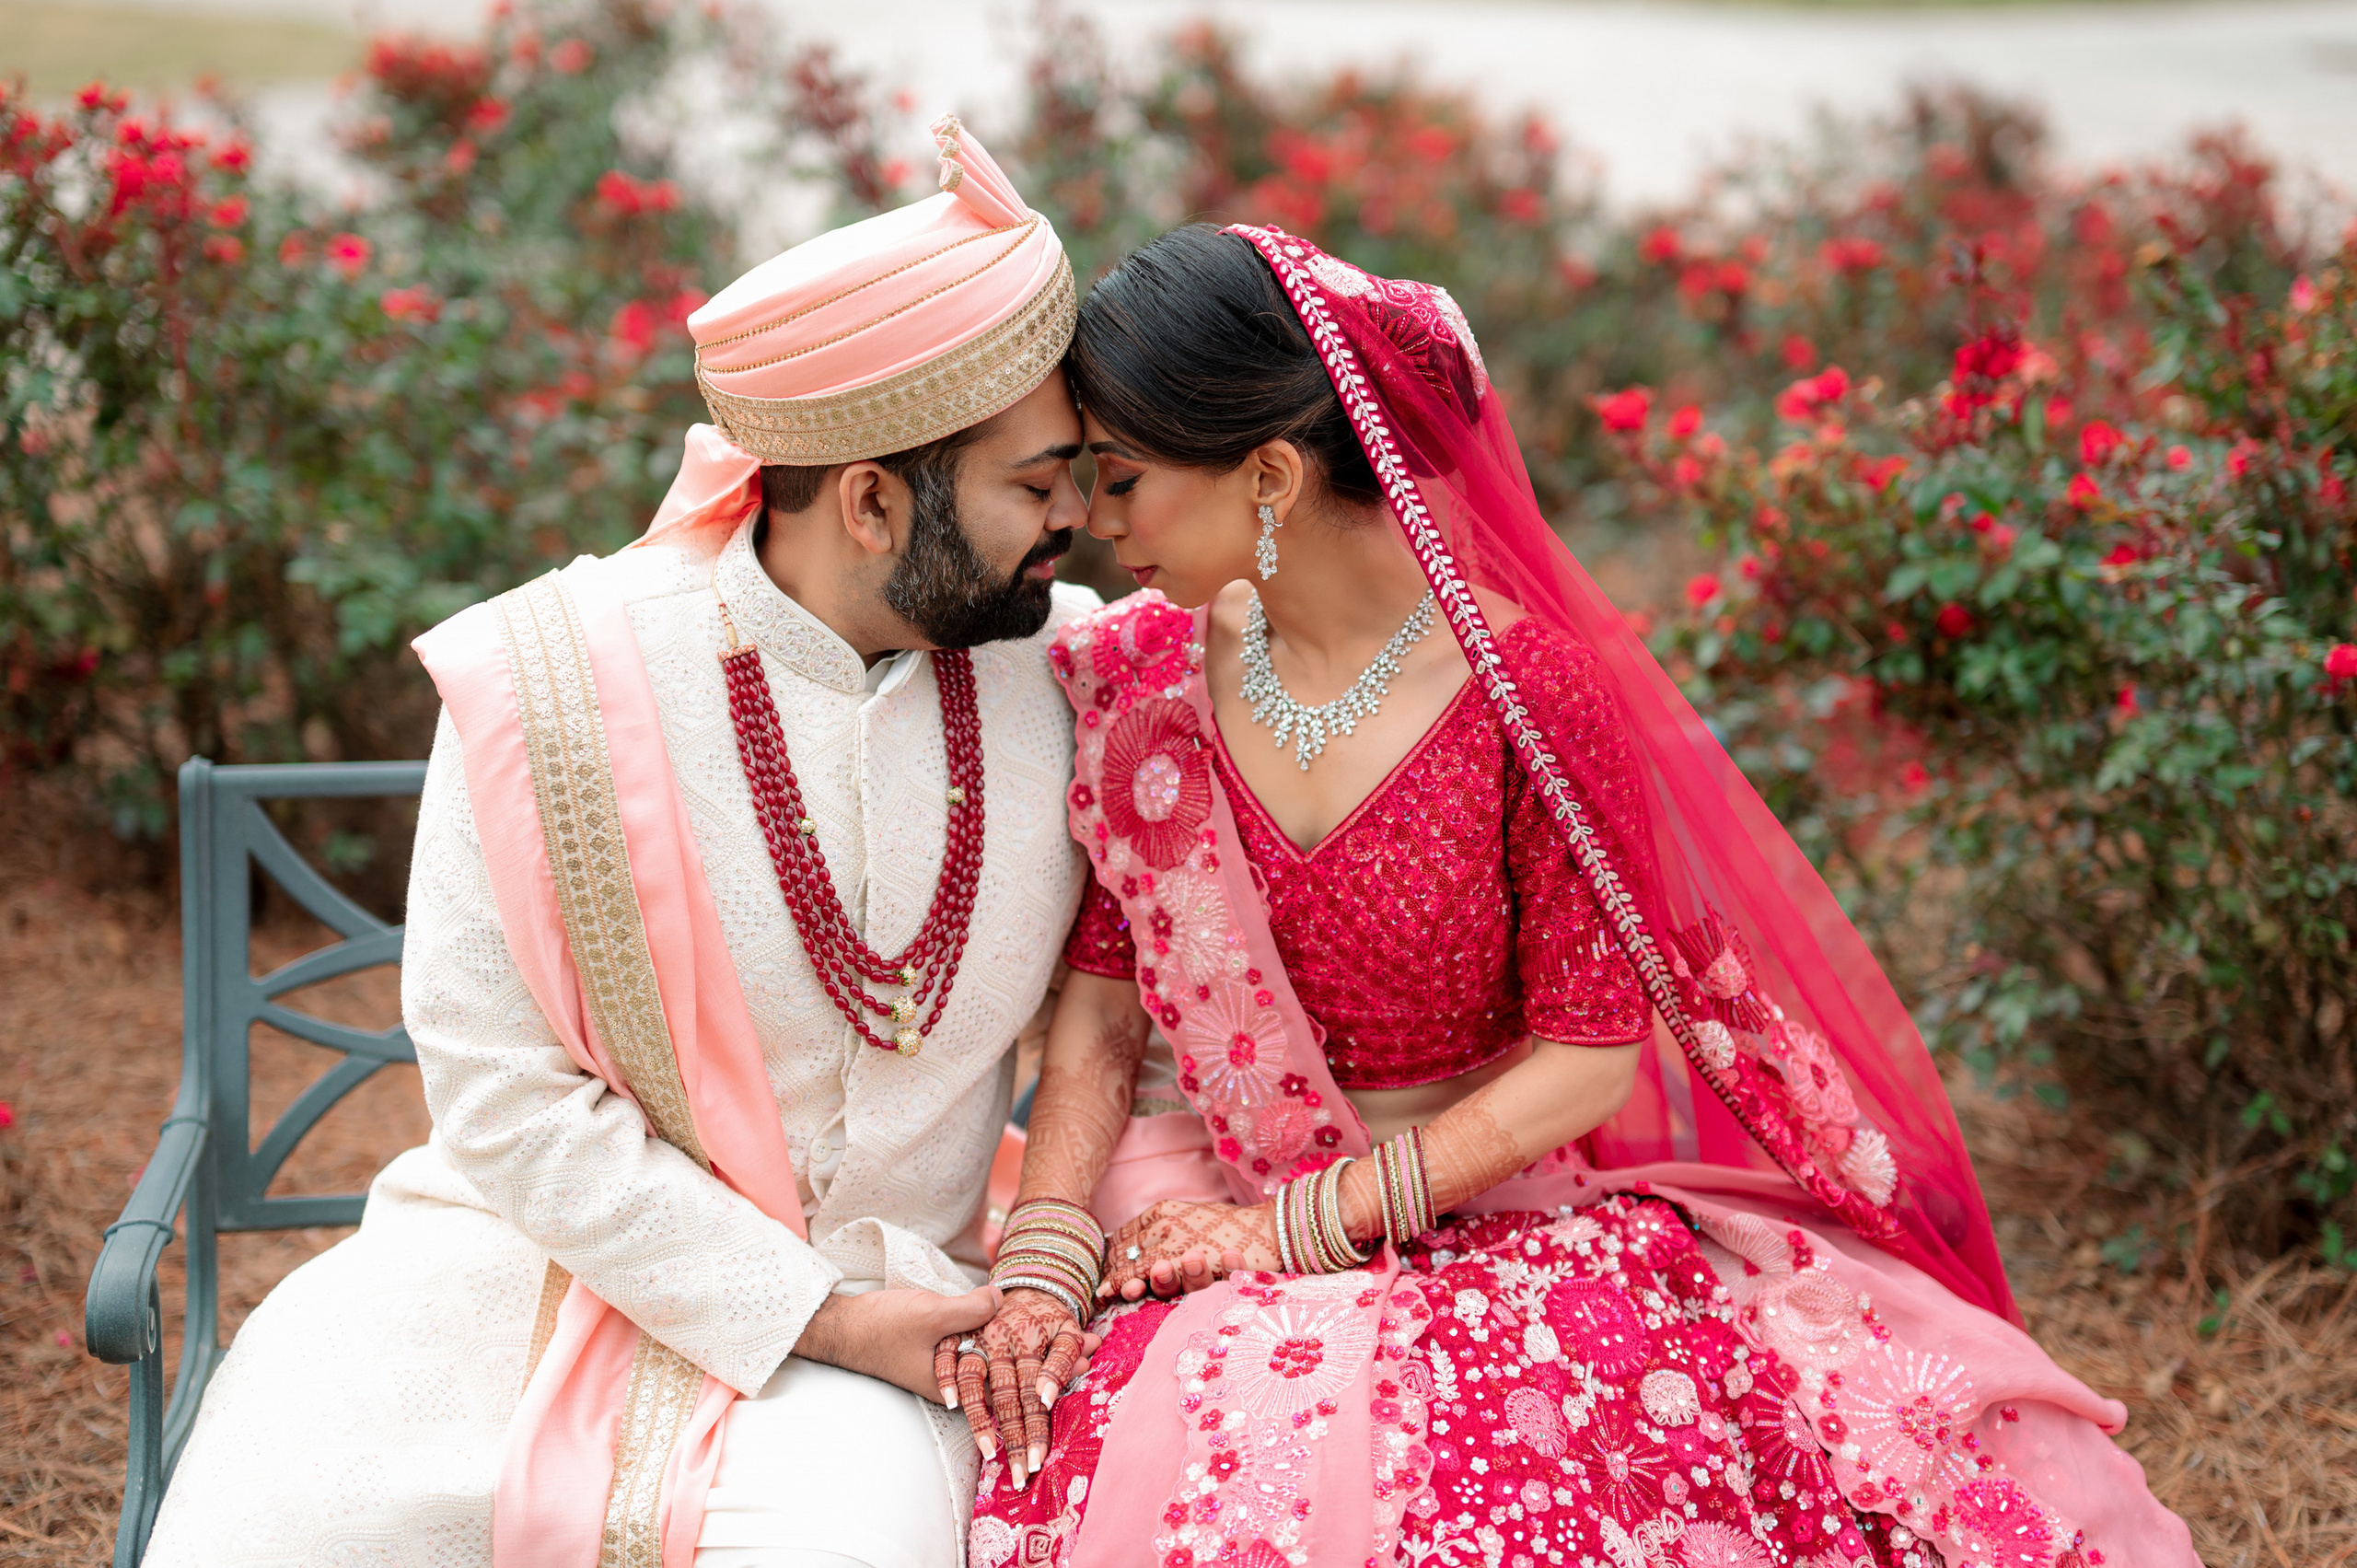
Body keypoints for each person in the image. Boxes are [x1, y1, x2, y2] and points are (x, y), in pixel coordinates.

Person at [956, 225, 2200, 1568]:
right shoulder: (1140, 680)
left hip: (1490, 1223)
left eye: (1124, 479)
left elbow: (1586, 1064)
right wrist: (1046, 1256)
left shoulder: (1525, 698)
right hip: (1204, 1196)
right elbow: (1094, 1026)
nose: (1093, 519)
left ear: (1267, 472)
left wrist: (1289, 1232)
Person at [147, 119, 1099, 1568]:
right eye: (1038, 487)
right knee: (278, 1529)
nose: (1078, 522)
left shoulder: (1080, 675)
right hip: (515, 1279)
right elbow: (503, 1095)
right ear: (869, 500)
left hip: (902, 1321)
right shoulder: (552, 688)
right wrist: (804, 1312)